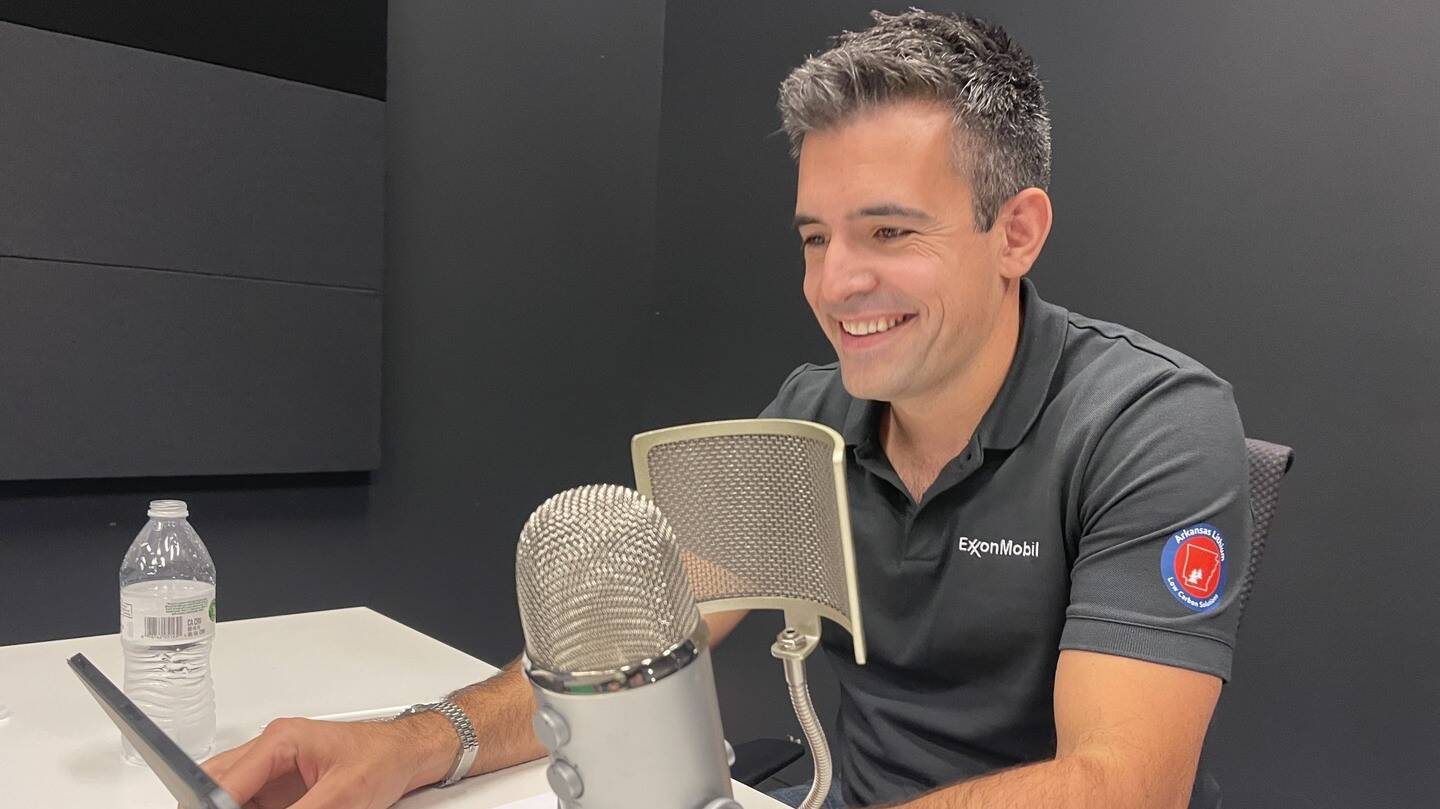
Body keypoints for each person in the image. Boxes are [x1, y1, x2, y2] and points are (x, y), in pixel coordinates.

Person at [201, 9, 1249, 809]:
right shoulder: (813, 412)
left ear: (1016, 232)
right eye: (814, 236)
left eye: (888, 233)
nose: (835, 284)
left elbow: (1121, 783)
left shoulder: (1152, 424)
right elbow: (643, 644)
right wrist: (417, 740)